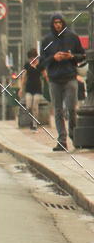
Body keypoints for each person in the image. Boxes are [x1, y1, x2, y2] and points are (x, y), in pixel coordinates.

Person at [39, 12, 86, 151]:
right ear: (52, 24)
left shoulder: (73, 37)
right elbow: (42, 62)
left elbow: (82, 55)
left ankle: (74, 136)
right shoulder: (46, 40)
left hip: (70, 77)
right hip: (54, 79)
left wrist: (71, 56)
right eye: (55, 23)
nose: (58, 25)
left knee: (71, 109)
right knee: (58, 110)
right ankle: (62, 140)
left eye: (60, 22)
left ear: (63, 23)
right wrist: (54, 58)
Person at [18, 48, 43, 130]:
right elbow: (24, 77)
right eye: (30, 58)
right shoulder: (27, 65)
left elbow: (45, 74)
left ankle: (34, 124)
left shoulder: (40, 65)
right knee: (28, 106)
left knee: (35, 105)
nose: (32, 60)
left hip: (37, 87)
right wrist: (21, 88)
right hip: (29, 87)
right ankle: (31, 120)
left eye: (33, 58)